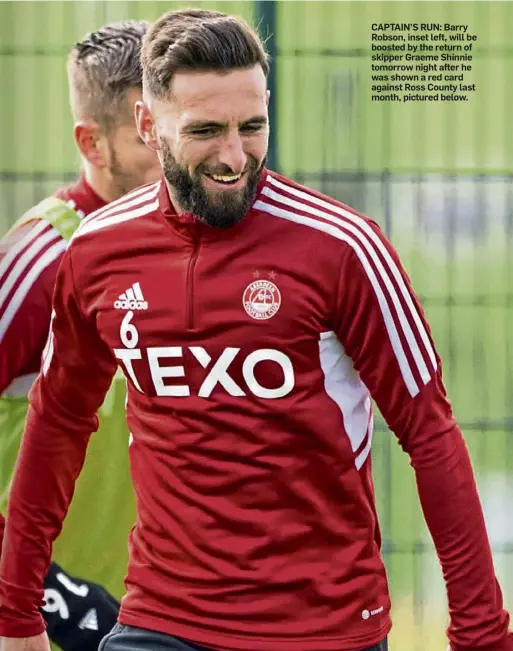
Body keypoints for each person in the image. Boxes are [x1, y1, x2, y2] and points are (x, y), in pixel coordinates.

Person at [0, 7, 511, 651]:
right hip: (160, 620)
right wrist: (14, 615)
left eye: (252, 126)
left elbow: (431, 435)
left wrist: (482, 636)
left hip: (320, 630)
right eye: (206, 130)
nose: (234, 155)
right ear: (147, 124)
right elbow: (57, 422)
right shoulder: (96, 250)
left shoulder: (344, 247)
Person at [0, 19, 160, 651]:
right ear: (91, 144)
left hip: (154, 616)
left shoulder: (189, 251)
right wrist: (42, 591)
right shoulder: (40, 260)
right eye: (146, 132)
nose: (173, 147)